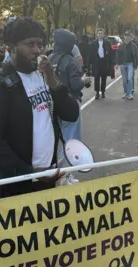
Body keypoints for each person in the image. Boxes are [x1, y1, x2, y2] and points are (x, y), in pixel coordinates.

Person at [0, 17, 79, 199]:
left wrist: (53, 80)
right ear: (11, 47)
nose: (37, 51)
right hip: (15, 181)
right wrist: (30, 173)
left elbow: (71, 114)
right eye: (30, 45)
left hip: (47, 173)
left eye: (40, 44)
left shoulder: (43, 75)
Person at [49, 28, 91, 184]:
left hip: (52, 106)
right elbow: (75, 84)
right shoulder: (70, 61)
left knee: (55, 140)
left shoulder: (50, 58)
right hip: (70, 104)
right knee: (71, 141)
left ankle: (55, 173)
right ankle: (67, 176)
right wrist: (85, 80)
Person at [89, 28, 112, 100]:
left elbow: (110, 53)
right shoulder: (93, 43)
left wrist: (110, 61)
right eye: (99, 33)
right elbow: (91, 54)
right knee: (96, 77)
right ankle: (97, 92)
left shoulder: (107, 42)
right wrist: (89, 64)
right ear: (97, 34)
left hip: (104, 61)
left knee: (104, 78)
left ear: (103, 34)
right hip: (96, 62)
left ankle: (103, 92)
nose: (100, 35)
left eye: (101, 33)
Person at [115, 32, 138, 100]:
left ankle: (129, 93)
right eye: (126, 36)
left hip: (130, 64)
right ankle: (125, 92)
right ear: (124, 37)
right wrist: (117, 63)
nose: (127, 37)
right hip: (123, 64)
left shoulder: (134, 46)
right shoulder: (121, 45)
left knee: (129, 78)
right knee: (124, 80)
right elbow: (117, 55)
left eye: (129, 36)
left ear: (130, 37)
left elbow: (135, 56)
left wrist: (135, 65)